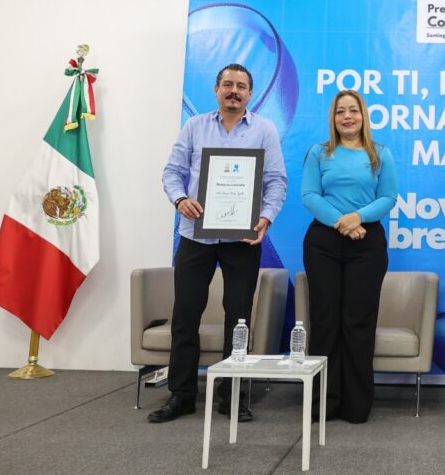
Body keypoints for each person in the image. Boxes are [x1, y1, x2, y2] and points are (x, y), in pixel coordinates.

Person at [149, 63, 288, 423]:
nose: (234, 91)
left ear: (250, 94)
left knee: (238, 319)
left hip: (242, 238)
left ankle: (232, 395)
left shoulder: (264, 130)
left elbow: (276, 180)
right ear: (216, 89)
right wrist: (180, 199)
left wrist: (266, 217)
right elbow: (172, 172)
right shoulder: (195, 126)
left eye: (241, 86)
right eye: (228, 84)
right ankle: (182, 395)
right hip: (195, 235)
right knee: (185, 314)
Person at [301, 90, 398, 423]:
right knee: (325, 321)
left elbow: (388, 197)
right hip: (323, 243)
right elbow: (309, 195)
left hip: (366, 243)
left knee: (358, 322)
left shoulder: (380, 153)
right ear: (333, 117)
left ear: (363, 116)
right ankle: (324, 402)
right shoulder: (318, 152)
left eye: (353, 111)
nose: (347, 117)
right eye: (340, 111)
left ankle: (357, 404)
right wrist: (342, 223)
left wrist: (358, 218)